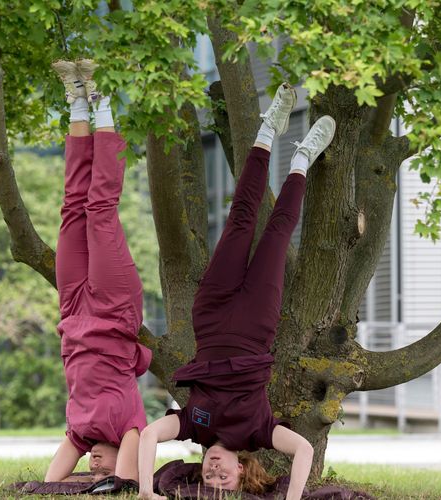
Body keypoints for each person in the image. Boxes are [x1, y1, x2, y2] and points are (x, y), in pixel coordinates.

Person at [137, 83, 337, 500]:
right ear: (242, 469)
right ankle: (302, 158)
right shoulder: (258, 432)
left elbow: (149, 435)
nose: (213, 474)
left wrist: (144, 490)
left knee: (240, 220)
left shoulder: (194, 426)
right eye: (224, 479)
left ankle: (268, 131)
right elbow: (302, 449)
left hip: (210, 314)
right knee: (277, 235)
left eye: (209, 479)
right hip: (255, 324)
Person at [44, 59, 151, 484]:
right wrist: (115, 483)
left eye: (91, 469)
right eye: (98, 469)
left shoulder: (79, 432)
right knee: (100, 211)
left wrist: (66, 486)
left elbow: (51, 482)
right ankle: (102, 99)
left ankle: (76, 101)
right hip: (112, 309)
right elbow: (122, 481)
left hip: (72, 309)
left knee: (72, 209)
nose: (95, 467)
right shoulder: (131, 427)